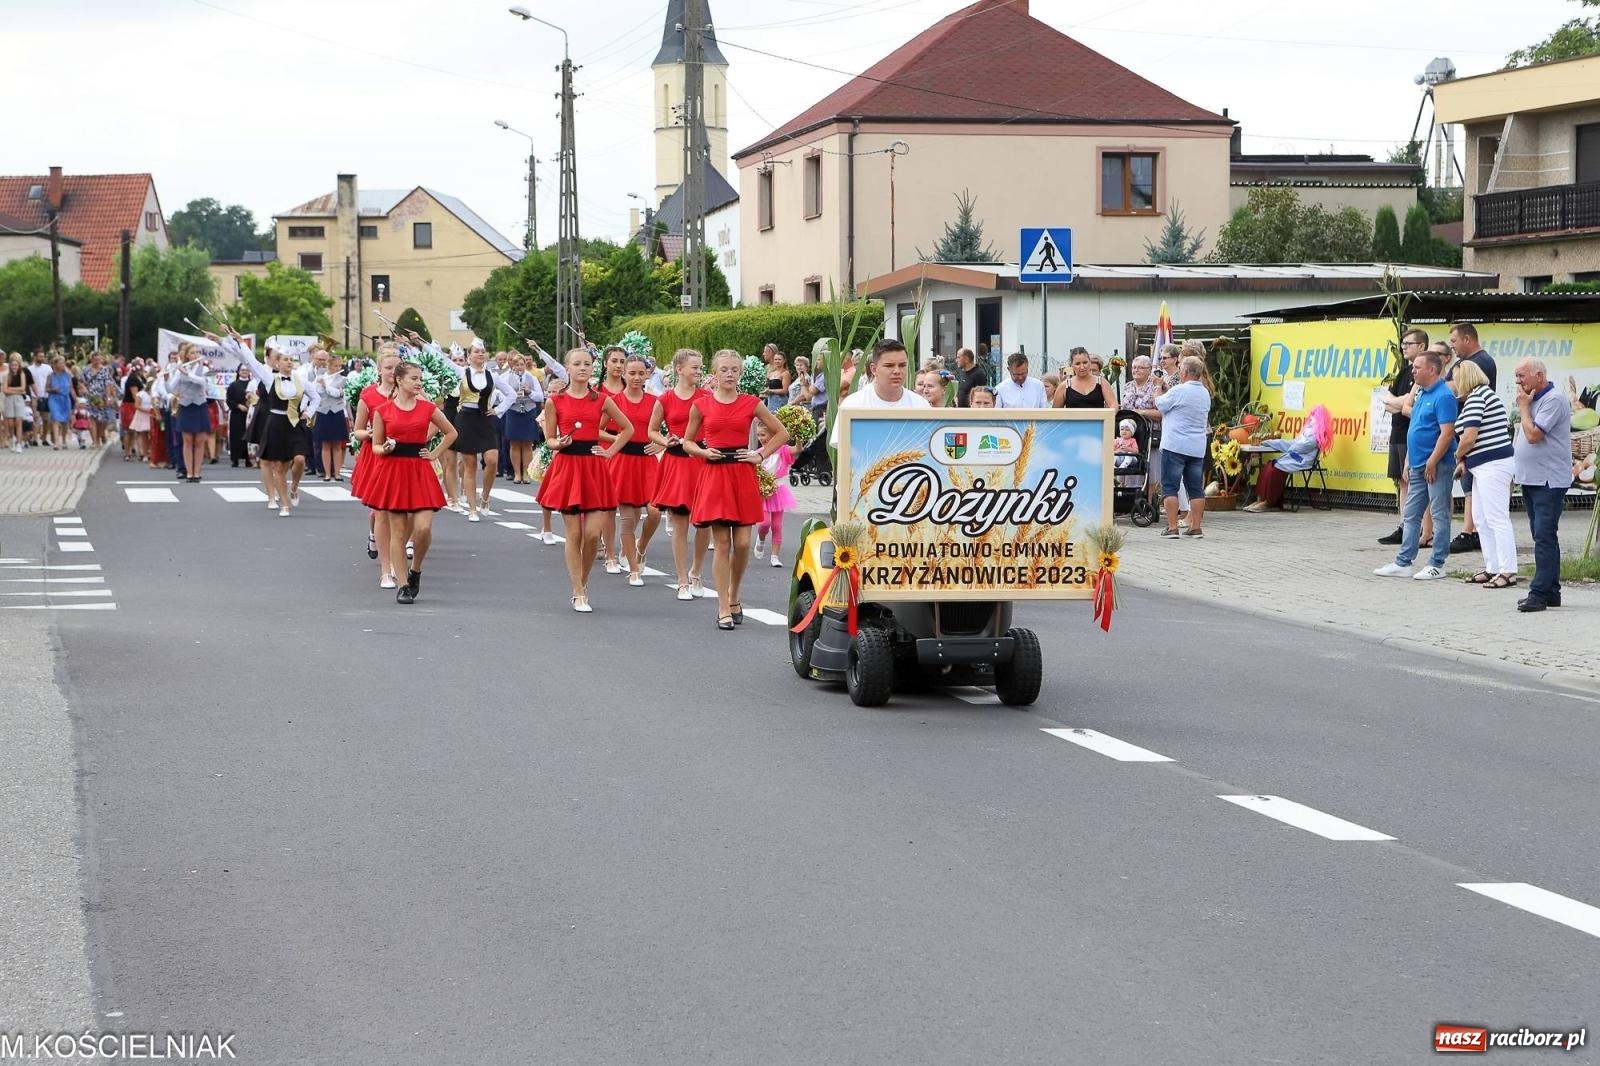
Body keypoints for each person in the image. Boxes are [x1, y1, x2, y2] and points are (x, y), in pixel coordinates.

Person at [684, 349, 789, 630]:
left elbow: (782, 433)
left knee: (742, 544)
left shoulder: (751, 403)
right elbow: (688, 442)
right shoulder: (701, 405)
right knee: (721, 543)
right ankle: (723, 607)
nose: (729, 374)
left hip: (742, 474)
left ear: (740, 373)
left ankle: (734, 595)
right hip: (715, 475)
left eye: (734, 370)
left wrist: (760, 454)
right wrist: (703, 453)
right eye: (724, 370)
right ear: (714, 374)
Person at [538, 347, 634, 613]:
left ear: (593, 368)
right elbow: (549, 439)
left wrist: (610, 452)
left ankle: (583, 580)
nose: (583, 368)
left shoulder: (602, 400)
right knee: (574, 533)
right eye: (577, 364)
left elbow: (627, 429)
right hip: (568, 467)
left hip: (594, 468)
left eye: (587, 364)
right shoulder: (555, 401)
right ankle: (578, 592)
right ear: (567, 368)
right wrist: (558, 443)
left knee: (592, 535)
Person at [367, 361, 459, 604]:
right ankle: (403, 585)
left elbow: (451, 432)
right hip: (393, 471)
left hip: (419, 470)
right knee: (397, 531)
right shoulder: (383, 410)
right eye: (414, 378)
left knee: (423, 528)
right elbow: (375, 445)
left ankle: (415, 569)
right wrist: (384, 449)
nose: (419, 382)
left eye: (420, 378)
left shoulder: (428, 408)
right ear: (399, 380)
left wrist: (435, 453)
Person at [1374, 350, 1456, 580]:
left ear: (1432, 370)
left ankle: (1437, 563)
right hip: (1418, 465)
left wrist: (1433, 461)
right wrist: (1409, 461)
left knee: (1439, 514)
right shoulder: (1421, 393)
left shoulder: (1444, 396)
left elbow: (1447, 434)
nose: (1413, 371)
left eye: (1418, 367)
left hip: (1437, 466)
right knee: (1411, 514)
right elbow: (1415, 428)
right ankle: (1403, 562)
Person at [222, 331, 316, 517]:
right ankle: (284, 505)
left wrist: (308, 412)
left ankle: (294, 486)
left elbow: (316, 397)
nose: (289, 362)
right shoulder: (269, 378)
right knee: (278, 465)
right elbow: (251, 361)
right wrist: (241, 342)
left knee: (299, 459)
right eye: (285, 360)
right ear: (277, 363)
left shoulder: (300, 380)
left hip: (294, 423)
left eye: (291, 360)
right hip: (275, 423)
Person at [650, 348, 714, 599]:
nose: (699, 371)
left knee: (703, 522)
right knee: (679, 523)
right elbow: (652, 430)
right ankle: (682, 580)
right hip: (676, 463)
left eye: (700, 367)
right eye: (694, 367)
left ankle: (696, 571)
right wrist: (665, 442)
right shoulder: (665, 399)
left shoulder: (707, 396)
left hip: (702, 460)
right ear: (679, 369)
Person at [1512, 357, 1573, 612]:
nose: (1518, 381)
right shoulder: (1530, 400)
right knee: (1542, 535)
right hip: (1531, 478)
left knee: (1544, 536)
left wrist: (1524, 408)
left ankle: (1538, 593)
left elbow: (1534, 435)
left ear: (1539, 375)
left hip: (1548, 480)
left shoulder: (1553, 400)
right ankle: (1551, 592)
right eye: (1516, 376)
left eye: (1522, 376)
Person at [1449, 361, 1517, 589]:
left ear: (1465, 378)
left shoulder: (1478, 397)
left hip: (1492, 465)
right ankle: (1493, 567)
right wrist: (1464, 461)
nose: (1454, 383)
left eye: (1455, 378)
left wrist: (1458, 456)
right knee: (1481, 518)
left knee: (1496, 517)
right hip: (1482, 465)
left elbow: (1469, 437)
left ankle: (1508, 570)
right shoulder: (1478, 397)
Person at [606, 353, 662, 586]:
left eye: (641, 373)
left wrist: (661, 443)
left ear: (648, 374)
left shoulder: (655, 401)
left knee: (655, 512)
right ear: (624, 374)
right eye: (632, 373)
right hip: (623, 461)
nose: (637, 377)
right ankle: (634, 570)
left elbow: (670, 429)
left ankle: (642, 546)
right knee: (628, 518)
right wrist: (617, 440)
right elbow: (597, 429)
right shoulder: (615, 401)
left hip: (648, 462)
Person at [446, 339, 514, 523]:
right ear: (469, 356)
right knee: (469, 464)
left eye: (483, 351)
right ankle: (472, 508)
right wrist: (417, 343)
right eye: (476, 351)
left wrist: (498, 410)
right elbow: (440, 358)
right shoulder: (462, 371)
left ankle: (485, 496)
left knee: (492, 460)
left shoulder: (493, 375)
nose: (480, 354)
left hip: (485, 419)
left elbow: (511, 394)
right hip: (466, 419)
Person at [350, 349, 400, 585]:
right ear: (379, 370)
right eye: (388, 367)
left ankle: (398, 558)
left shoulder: (409, 393)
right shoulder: (369, 395)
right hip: (377, 457)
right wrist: (369, 434)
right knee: (381, 512)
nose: (392, 372)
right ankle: (386, 569)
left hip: (402, 457)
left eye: (396, 368)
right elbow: (357, 431)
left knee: (401, 513)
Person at [831, 339, 930, 449]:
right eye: (889, 366)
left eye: (902, 365)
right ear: (874, 369)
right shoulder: (852, 405)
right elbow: (844, 452)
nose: (897, 371)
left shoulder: (921, 405)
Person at [1153, 354, 1212, 539]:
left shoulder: (1179, 390)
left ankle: (1172, 527)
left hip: (1175, 445)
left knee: (1170, 487)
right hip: (1196, 447)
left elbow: (1161, 404)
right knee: (1195, 488)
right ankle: (1196, 527)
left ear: (1185, 372)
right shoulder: (1204, 393)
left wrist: (1157, 388)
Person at [1377, 329, 1424, 545]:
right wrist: (1401, 402)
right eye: (1403, 343)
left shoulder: (1423, 374)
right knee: (1401, 482)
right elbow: (1387, 401)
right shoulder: (1404, 371)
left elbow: (1410, 404)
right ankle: (1403, 526)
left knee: (1412, 481)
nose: (1404, 347)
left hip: (1410, 434)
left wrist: (1400, 402)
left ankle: (1418, 527)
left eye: (1408, 344)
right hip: (1396, 433)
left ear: (1421, 346)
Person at [170, 345, 214, 482]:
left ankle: (197, 473)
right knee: (187, 441)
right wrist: (166, 378)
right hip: (185, 406)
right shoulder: (180, 370)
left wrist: (188, 374)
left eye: (197, 352)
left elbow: (204, 384)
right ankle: (189, 473)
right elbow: (171, 389)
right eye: (193, 353)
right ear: (187, 355)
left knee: (200, 441)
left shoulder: (204, 369)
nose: (196, 355)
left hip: (200, 405)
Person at [755, 421, 795, 567]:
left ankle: (775, 556)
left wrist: (799, 436)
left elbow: (797, 449)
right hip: (763, 493)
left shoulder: (783, 450)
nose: (761, 438)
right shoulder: (758, 453)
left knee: (777, 526)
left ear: (773, 435)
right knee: (764, 524)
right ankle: (761, 539)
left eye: (763, 435)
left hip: (778, 492)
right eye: (758, 435)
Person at [500, 353, 544, 484]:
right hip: (513, 412)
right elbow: (500, 396)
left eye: (522, 364)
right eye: (517, 365)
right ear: (512, 366)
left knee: (527, 444)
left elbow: (540, 396)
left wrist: (529, 392)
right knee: (514, 444)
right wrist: (513, 396)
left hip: (529, 411)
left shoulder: (532, 378)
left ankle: (526, 473)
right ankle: (517, 473)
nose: (520, 367)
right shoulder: (505, 378)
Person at [312, 351, 350, 482]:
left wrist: (326, 386)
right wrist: (320, 384)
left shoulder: (343, 379)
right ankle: (327, 473)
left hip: (336, 412)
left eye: (340, 366)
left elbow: (339, 394)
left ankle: (337, 473)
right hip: (323, 413)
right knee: (325, 444)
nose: (338, 368)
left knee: (337, 444)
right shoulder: (320, 377)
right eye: (335, 366)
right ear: (329, 365)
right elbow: (316, 392)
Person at [45, 355, 76, 450]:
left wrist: (76, 400)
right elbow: (46, 389)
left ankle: (64, 440)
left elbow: (71, 388)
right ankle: (56, 442)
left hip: (65, 399)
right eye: (60, 363)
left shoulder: (67, 375)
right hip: (54, 399)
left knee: (65, 420)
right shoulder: (51, 376)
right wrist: (53, 389)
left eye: (63, 363)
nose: (62, 365)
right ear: (55, 364)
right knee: (55, 419)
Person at [3, 354, 29, 452]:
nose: (14, 367)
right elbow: (5, 390)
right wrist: (18, 391)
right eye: (12, 365)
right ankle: (12, 438)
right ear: (10, 366)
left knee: (18, 421)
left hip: (19, 400)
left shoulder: (21, 374)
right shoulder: (7, 375)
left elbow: (23, 388)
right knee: (10, 422)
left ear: (19, 366)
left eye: (16, 365)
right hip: (9, 399)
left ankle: (18, 443)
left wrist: (11, 389)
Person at [762, 344, 791, 412]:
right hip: (771, 401)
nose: (777, 361)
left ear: (784, 361)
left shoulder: (785, 373)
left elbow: (785, 391)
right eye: (775, 359)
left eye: (779, 359)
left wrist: (770, 391)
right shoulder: (771, 373)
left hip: (780, 401)